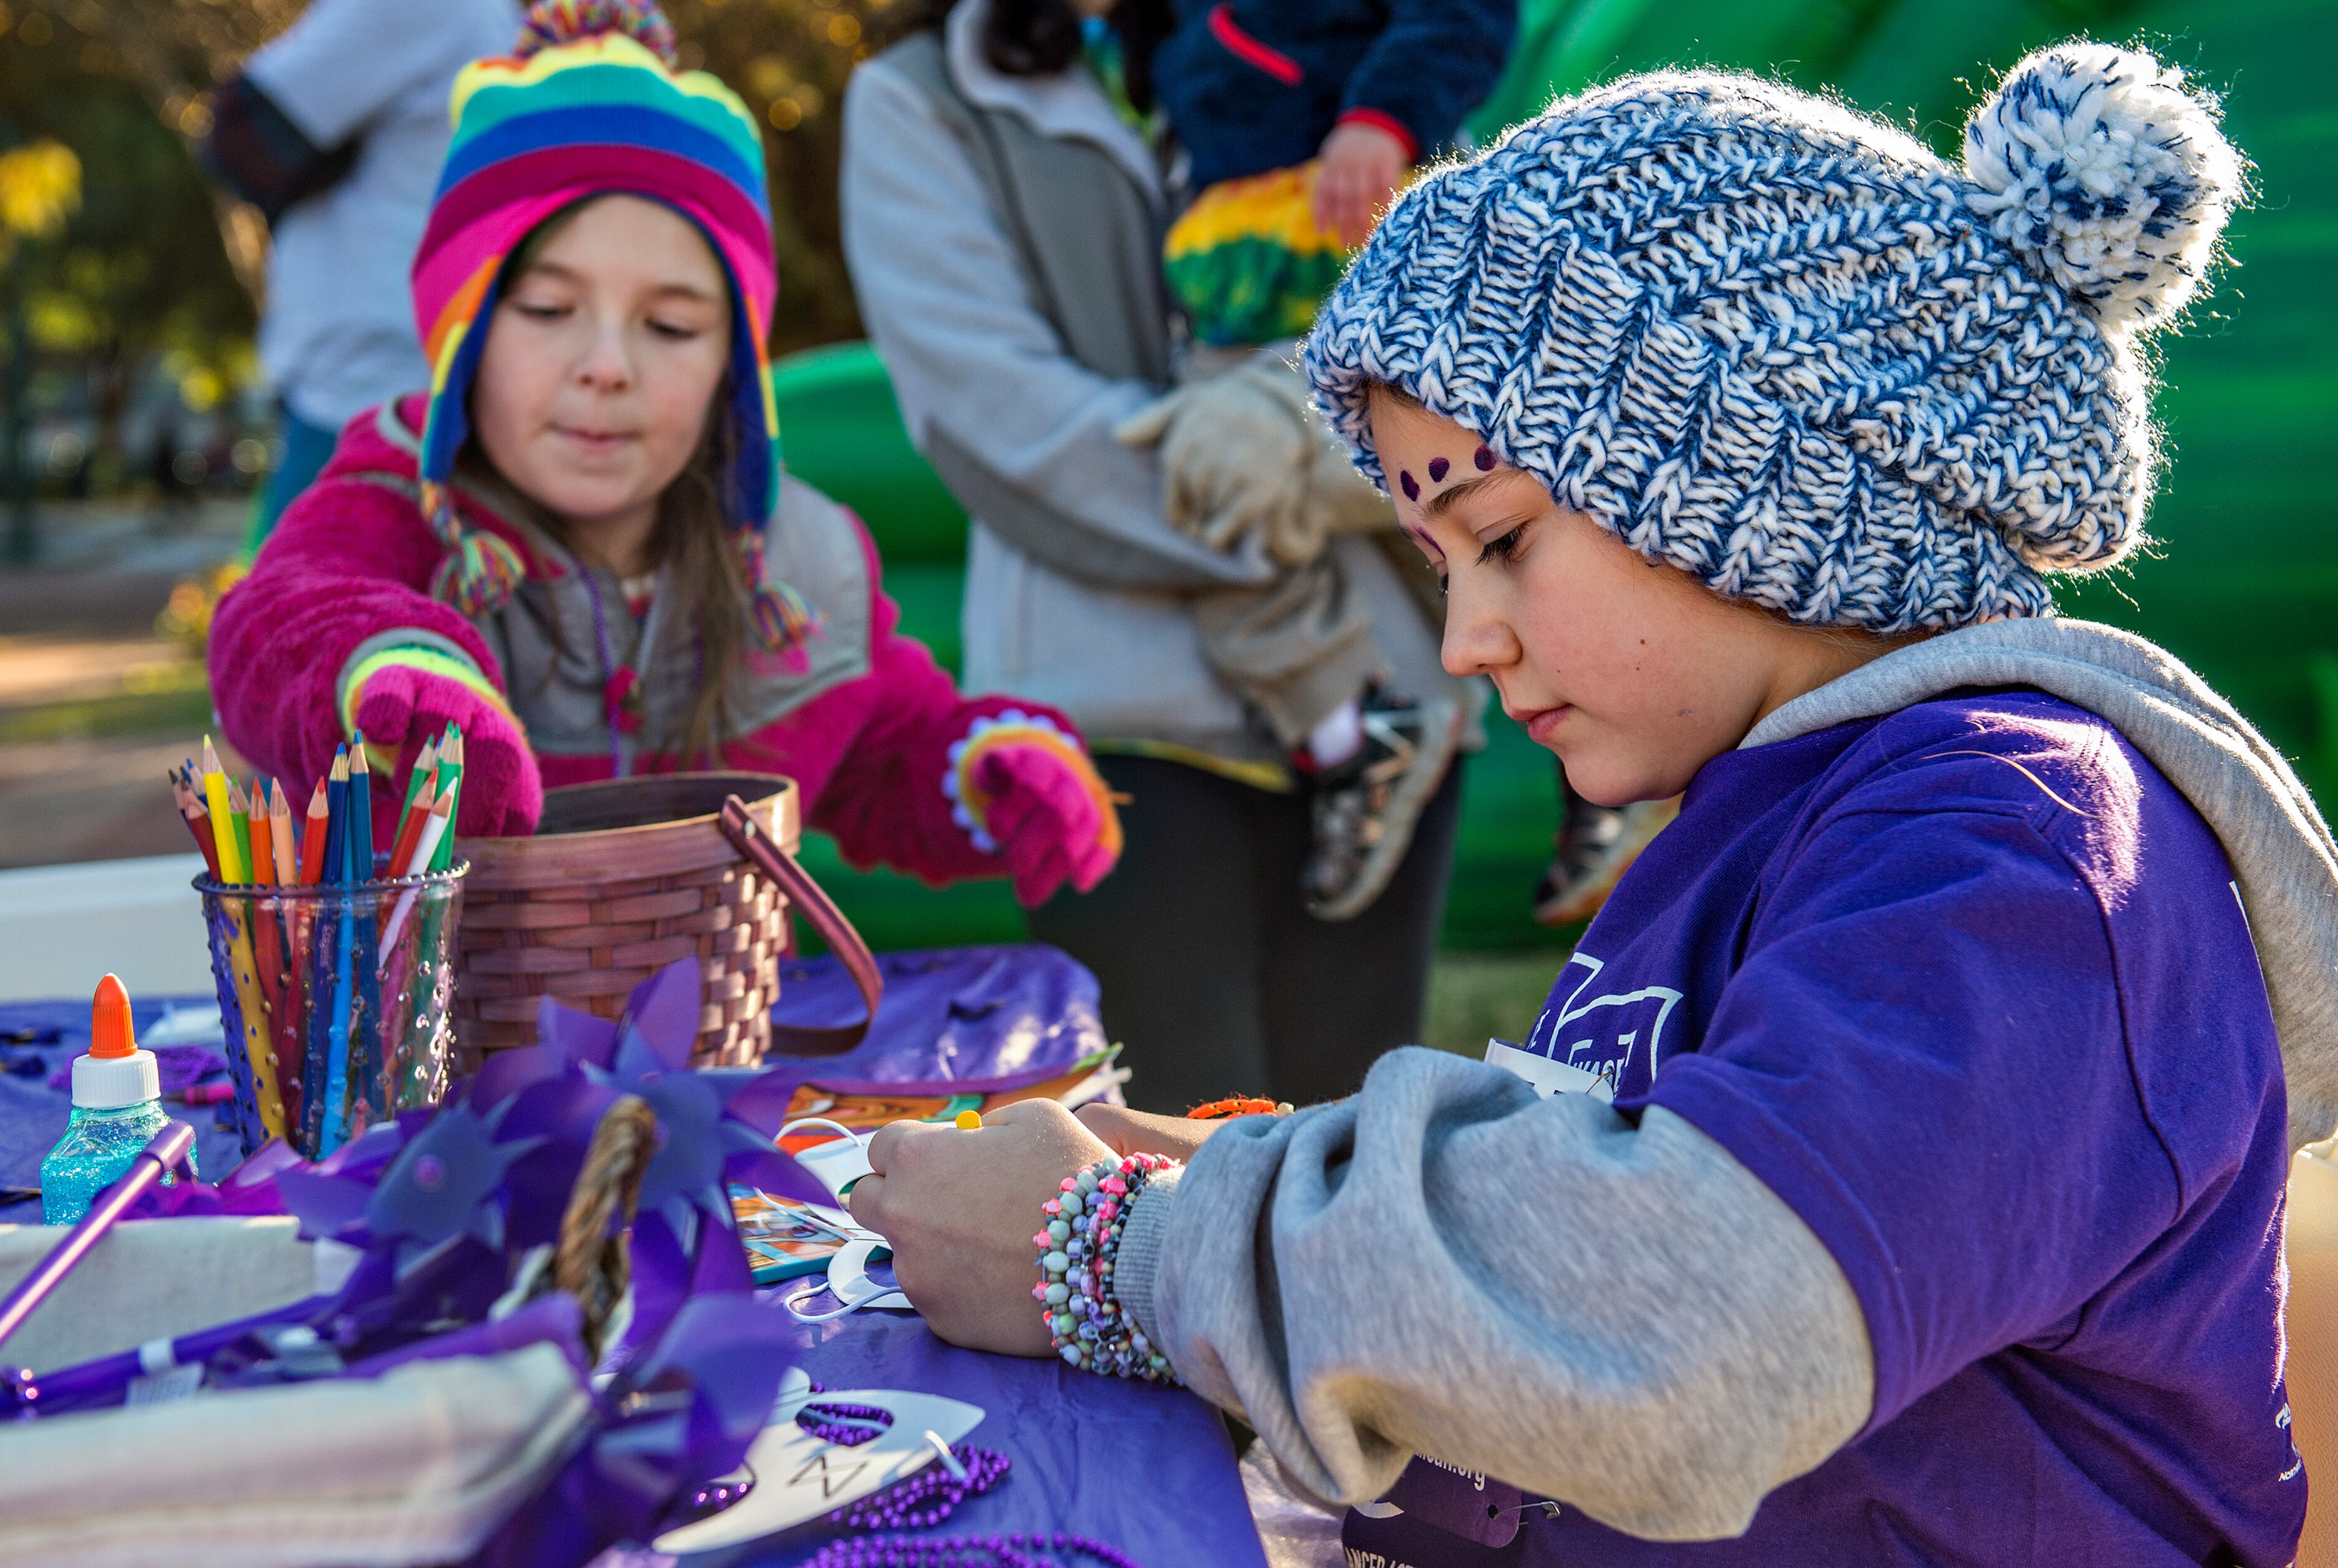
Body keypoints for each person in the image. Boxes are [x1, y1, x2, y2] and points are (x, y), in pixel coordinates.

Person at [847, 44, 2331, 1564]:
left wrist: (1117, 1258)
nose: (1462, 641)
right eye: (1439, 565)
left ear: (1751, 480)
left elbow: (1688, 1325)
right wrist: (1234, 1175)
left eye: (1498, 536)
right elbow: (1605, 1173)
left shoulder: (2013, 844)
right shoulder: (1777, 810)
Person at [208, 0, 1122, 918]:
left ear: (735, 366)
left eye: (671, 325)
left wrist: (986, 774)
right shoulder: (396, 498)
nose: (606, 367)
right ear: (464, 335)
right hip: (421, 1051)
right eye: (547, 311)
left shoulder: (795, 565)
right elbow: (279, 620)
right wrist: (394, 672)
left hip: (706, 1051)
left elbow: (887, 750)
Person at [842, 0, 1486, 1112]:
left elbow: (1469, 343)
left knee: (1350, 1154)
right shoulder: (921, 102)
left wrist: (1290, 424)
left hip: (1395, 705)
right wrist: (1286, 492)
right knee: (1170, 1177)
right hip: (1114, 724)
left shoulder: (1362, 40)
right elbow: (1008, 428)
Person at [1113, 0, 1517, 917]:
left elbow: (1465, 14)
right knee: (1199, 489)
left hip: (1359, 250)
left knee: (1465, 530)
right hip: (1233, 278)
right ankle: (1353, 731)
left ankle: (1611, 764)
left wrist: (1381, 116)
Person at [200, 0, 522, 545]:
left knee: (289, 616)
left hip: (358, 389)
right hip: (424, 373)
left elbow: (237, 136)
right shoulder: (500, 19)